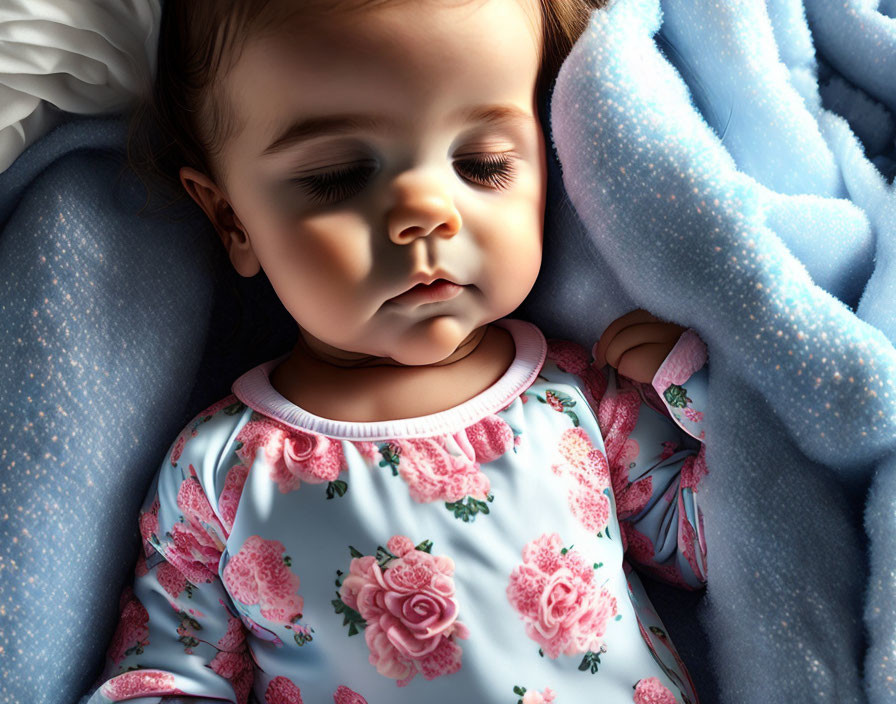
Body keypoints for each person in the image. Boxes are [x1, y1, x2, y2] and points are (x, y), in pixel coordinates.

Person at [85, 1, 710, 701]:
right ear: (233, 219)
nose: (426, 211)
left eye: (482, 164)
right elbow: (170, 669)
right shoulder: (218, 471)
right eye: (339, 176)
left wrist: (699, 396)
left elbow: (711, 543)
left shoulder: (581, 402)